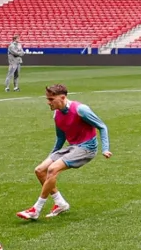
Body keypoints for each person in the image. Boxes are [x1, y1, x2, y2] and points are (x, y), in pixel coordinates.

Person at [18, 84, 110, 220]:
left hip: (87, 148)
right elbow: (60, 137)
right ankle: (60, 203)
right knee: (40, 170)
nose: (48, 102)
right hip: (72, 147)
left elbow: (102, 127)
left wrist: (105, 148)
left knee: (52, 170)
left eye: (51, 99)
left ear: (62, 97)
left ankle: (35, 209)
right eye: (47, 99)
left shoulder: (81, 109)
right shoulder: (57, 114)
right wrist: (52, 155)